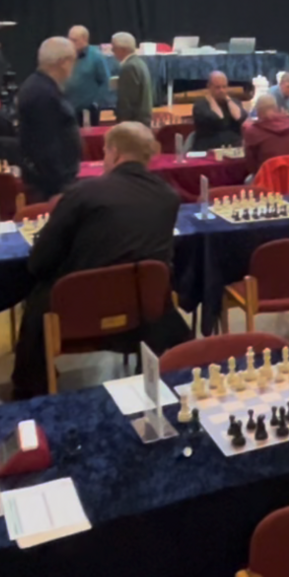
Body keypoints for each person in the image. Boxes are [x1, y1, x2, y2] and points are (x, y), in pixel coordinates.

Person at [15, 123, 183, 398]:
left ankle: (31, 393)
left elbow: (39, 262)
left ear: (115, 153)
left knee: (38, 294)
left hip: (78, 314)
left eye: (105, 152)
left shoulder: (83, 193)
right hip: (145, 314)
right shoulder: (169, 197)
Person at [17, 37, 83, 202]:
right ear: (63, 62)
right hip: (52, 185)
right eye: (73, 61)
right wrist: (60, 184)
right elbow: (47, 145)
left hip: (53, 180)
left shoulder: (41, 87)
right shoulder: (43, 94)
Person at [243, 94, 289, 178]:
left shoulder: (253, 131)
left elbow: (251, 166)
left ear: (258, 111)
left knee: (247, 180)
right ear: (276, 108)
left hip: (267, 179)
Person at [63, 25, 112, 127]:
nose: (70, 43)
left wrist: (96, 102)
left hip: (88, 110)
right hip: (68, 107)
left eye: (74, 40)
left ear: (85, 40)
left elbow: (105, 81)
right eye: (69, 39)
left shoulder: (96, 57)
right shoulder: (65, 55)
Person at [190, 71, 248, 150]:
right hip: (209, 148)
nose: (222, 90)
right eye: (217, 87)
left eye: (224, 87)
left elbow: (240, 118)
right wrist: (211, 100)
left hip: (234, 147)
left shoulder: (234, 102)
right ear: (209, 87)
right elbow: (218, 118)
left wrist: (228, 100)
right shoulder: (200, 106)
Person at [110, 31, 152, 126]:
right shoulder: (140, 63)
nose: (112, 52)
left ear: (123, 49)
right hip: (142, 121)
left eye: (114, 48)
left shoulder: (129, 67)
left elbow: (127, 101)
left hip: (133, 124)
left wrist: (122, 123)